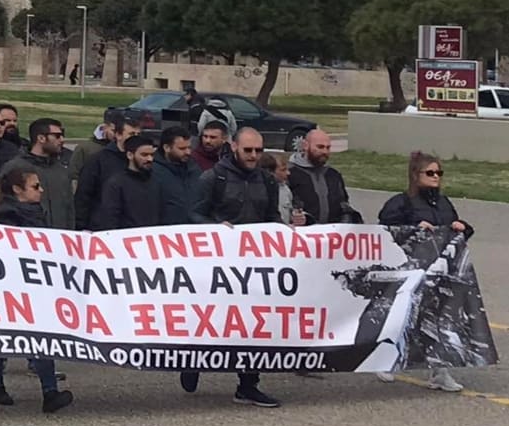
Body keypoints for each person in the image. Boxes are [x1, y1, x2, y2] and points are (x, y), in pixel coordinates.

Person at [186, 127, 281, 407]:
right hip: (218, 265)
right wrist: (215, 228)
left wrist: (283, 232)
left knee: (254, 324)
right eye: (248, 150)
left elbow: (271, 216)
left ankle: (248, 384)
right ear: (234, 147)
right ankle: (192, 361)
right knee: (211, 319)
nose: (254, 156)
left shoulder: (267, 181)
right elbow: (192, 213)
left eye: (259, 151)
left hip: (255, 265)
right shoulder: (213, 177)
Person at [0, 168, 73, 412]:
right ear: (18, 190)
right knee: (0, 337)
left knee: (41, 337)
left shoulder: (35, 215)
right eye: (35, 186)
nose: (41, 190)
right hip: (7, 287)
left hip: (34, 286)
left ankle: (49, 392)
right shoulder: (0, 220)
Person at [377, 152, 471, 392]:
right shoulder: (401, 202)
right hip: (411, 267)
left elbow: (456, 232)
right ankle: (387, 359)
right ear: (415, 175)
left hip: (439, 269)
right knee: (404, 315)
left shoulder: (444, 203)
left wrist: (462, 228)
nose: (436, 177)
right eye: (430, 173)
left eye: (439, 173)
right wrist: (413, 229)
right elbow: (385, 230)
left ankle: (439, 370)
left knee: (438, 319)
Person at [7, 118, 73, 228]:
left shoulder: (61, 169)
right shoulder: (16, 167)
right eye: (57, 136)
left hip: (60, 238)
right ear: (41, 138)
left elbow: (69, 207)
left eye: (62, 135)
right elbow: (0, 201)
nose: (62, 140)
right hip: (29, 236)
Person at [289, 129, 360, 225]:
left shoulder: (333, 175)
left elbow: (343, 204)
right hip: (302, 234)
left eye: (328, 147)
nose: (325, 152)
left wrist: (347, 219)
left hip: (332, 235)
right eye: (320, 147)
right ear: (305, 146)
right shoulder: (289, 173)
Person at [93, 133, 162, 231]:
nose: (149, 159)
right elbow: (109, 219)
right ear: (130, 155)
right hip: (126, 241)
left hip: (151, 240)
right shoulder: (116, 184)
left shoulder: (156, 181)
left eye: (151, 155)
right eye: (144, 155)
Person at [152, 125, 197, 225]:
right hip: (165, 232)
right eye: (182, 148)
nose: (188, 152)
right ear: (167, 147)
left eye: (189, 147)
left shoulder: (194, 168)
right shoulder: (152, 171)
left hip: (193, 230)